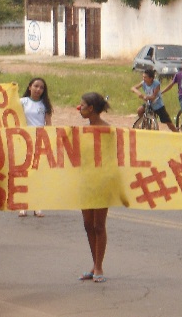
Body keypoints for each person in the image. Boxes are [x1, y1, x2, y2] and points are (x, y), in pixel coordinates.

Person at [78, 92, 111, 283]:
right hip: (86, 181)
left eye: (82, 105)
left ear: (91, 109)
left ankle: (99, 266)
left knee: (99, 225)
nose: (79, 108)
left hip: (102, 181)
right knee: (88, 224)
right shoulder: (82, 131)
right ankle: (94, 263)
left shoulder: (107, 130)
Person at [18, 77, 54, 217]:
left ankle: (37, 204)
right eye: (36, 86)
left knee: (37, 173)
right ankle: (23, 204)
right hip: (24, 140)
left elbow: (48, 124)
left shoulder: (45, 105)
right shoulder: (22, 102)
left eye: (41, 88)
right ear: (29, 87)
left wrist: (50, 139)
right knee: (24, 172)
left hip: (39, 141)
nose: (38, 89)